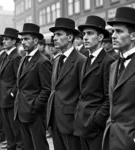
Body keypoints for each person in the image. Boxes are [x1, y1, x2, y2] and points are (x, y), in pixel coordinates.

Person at [74, 15, 114, 150]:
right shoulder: (86, 60)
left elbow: (109, 98)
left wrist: (97, 119)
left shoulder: (108, 62)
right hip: (82, 124)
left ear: (101, 37)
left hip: (95, 127)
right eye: (84, 34)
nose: (85, 37)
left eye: (90, 34)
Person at [47, 17, 86, 150]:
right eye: (54, 35)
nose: (54, 38)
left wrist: (77, 119)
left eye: (58, 35)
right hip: (56, 120)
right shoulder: (57, 60)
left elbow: (83, 93)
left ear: (70, 37)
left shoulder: (81, 61)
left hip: (71, 122)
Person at [14, 23, 52, 150]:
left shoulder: (42, 61)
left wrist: (34, 106)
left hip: (34, 113)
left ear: (35, 41)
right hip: (22, 111)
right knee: (28, 146)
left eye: (26, 39)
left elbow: (47, 89)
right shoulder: (24, 59)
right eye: (22, 39)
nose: (23, 42)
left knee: (39, 146)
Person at [102, 7, 135, 150]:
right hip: (111, 138)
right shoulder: (113, 66)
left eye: (119, 31)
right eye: (113, 31)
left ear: (133, 36)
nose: (113, 36)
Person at [0, 28, 23, 150]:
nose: (4, 41)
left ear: (14, 41)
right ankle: (11, 145)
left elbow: (19, 79)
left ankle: (18, 147)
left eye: (6, 39)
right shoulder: (6, 55)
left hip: (10, 98)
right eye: (3, 39)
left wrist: (12, 93)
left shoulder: (16, 57)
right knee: (7, 126)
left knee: (15, 127)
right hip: (3, 96)